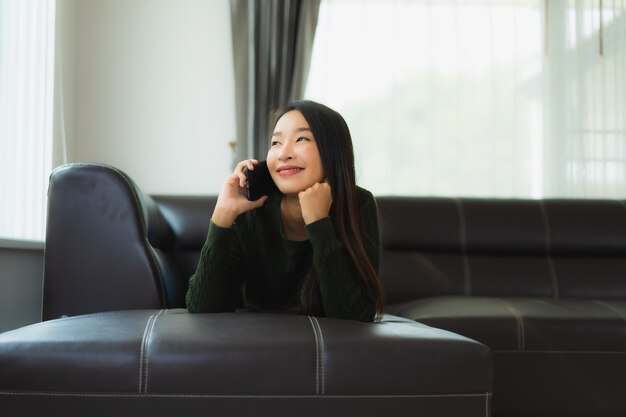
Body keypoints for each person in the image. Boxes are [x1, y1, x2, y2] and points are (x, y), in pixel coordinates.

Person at [185, 100, 385, 322]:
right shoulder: (253, 208)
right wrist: (223, 214)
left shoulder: (359, 204)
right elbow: (202, 308)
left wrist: (319, 223)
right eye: (276, 142)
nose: (283, 154)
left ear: (333, 150)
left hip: (328, 350)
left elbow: (355, 316)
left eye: (301, 139)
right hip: (256, 346)